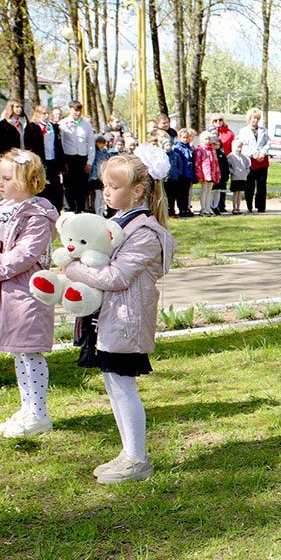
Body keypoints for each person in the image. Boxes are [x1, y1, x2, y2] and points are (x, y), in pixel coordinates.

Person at [65, 152, 177, 484]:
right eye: (105, 186)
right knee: (113, 385)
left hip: (127, 320)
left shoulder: (144, 232)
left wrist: (72, 269)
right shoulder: (118, 223)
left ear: (138, 191)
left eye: (114, 187)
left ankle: (137, 458)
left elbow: (117, 276)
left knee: (123, 386)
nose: (107, 192)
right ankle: (129, 451)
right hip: (108, 318)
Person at [0, 149, 59, 438]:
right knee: (19, 353)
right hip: (8, 292)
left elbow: (22, 257)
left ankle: (39, 413)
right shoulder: (3, 209)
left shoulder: (37, 215)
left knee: (30, 353)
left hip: (28, 292)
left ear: (29, 180)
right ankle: (27, 408)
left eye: (7, 178)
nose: (0, 183)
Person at [24, 105, 64, 211]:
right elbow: (29, 145)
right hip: (40, 161)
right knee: (42, 185)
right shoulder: (32, 127)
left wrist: (61, 163)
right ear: (38, 114)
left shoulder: (53, 127)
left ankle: (55, 208)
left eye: (47, 113)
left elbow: (58, 145)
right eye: (43, 113)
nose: (46, 116)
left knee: (55, 186)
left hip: (53, 160)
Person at [58, 100, 96, 213]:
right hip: (69, 157)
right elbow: (61, 143)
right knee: (69, 185)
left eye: (79, 110)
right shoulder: (63, 123)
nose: (78, 112)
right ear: (70, 109)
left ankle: (80, 208)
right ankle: (69, 209)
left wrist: (90, 161)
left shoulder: (86, 125)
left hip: (82, 157)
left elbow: (91, 143)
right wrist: (63, 162)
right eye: (75, 110)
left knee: (82, 185)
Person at [236, 108, 270, 213]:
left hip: (262, 160)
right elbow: (241, 145)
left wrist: (262, 153)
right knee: (250, 184)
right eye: (253, 118)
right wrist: (253, 153)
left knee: (262, 184)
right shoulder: (243, 131)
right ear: (249, 119)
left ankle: (261, 206)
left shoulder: (263, 130)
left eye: (257, 118)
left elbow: (268, 143)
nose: (255, 120)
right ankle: (249, 205)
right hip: (249, 160)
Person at [167, 128, 197, 218]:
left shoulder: (189, 147)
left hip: (188, 174)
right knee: (178, 193)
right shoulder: (177, 148)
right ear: (179, 137)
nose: (185, 139)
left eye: (187, 137)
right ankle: (177, 209)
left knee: (185, 193)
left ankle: (185, 208)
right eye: (184, 137)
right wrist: (179, 172)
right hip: (180, 174)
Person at [194, 130, 220, 216]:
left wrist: (217, 173)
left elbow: (216, 162)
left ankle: (208, 207)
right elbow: (197, 163)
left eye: (209, 139)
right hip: (204, 173)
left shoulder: (212, 150)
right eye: (206, 139)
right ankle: (203, 208)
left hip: (212, 173)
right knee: (204, 190)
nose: (208, 141)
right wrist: (199, 174)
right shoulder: (200, 150)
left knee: (209, 191)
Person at [88, 135, 111, 216]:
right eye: (99, 143)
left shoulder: (105, 152)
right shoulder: (94, 153)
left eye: (103, 143)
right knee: (98, 196)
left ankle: (101, 212)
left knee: (103, 196)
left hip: (103, 177)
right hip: (95, 177)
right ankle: (98, 213)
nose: (101, 144)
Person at [228, 140, 250, 215]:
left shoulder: (243, 157)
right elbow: (228, 166)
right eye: (238, 147)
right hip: (235, 177)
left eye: (241, 147)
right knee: (235, 192)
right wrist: (233, 172)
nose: (239, 148)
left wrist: (245, 173)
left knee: (240, 193)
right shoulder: (231, 156)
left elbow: (247, 166)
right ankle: (234, 208)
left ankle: (238, 207)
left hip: (242, 177)